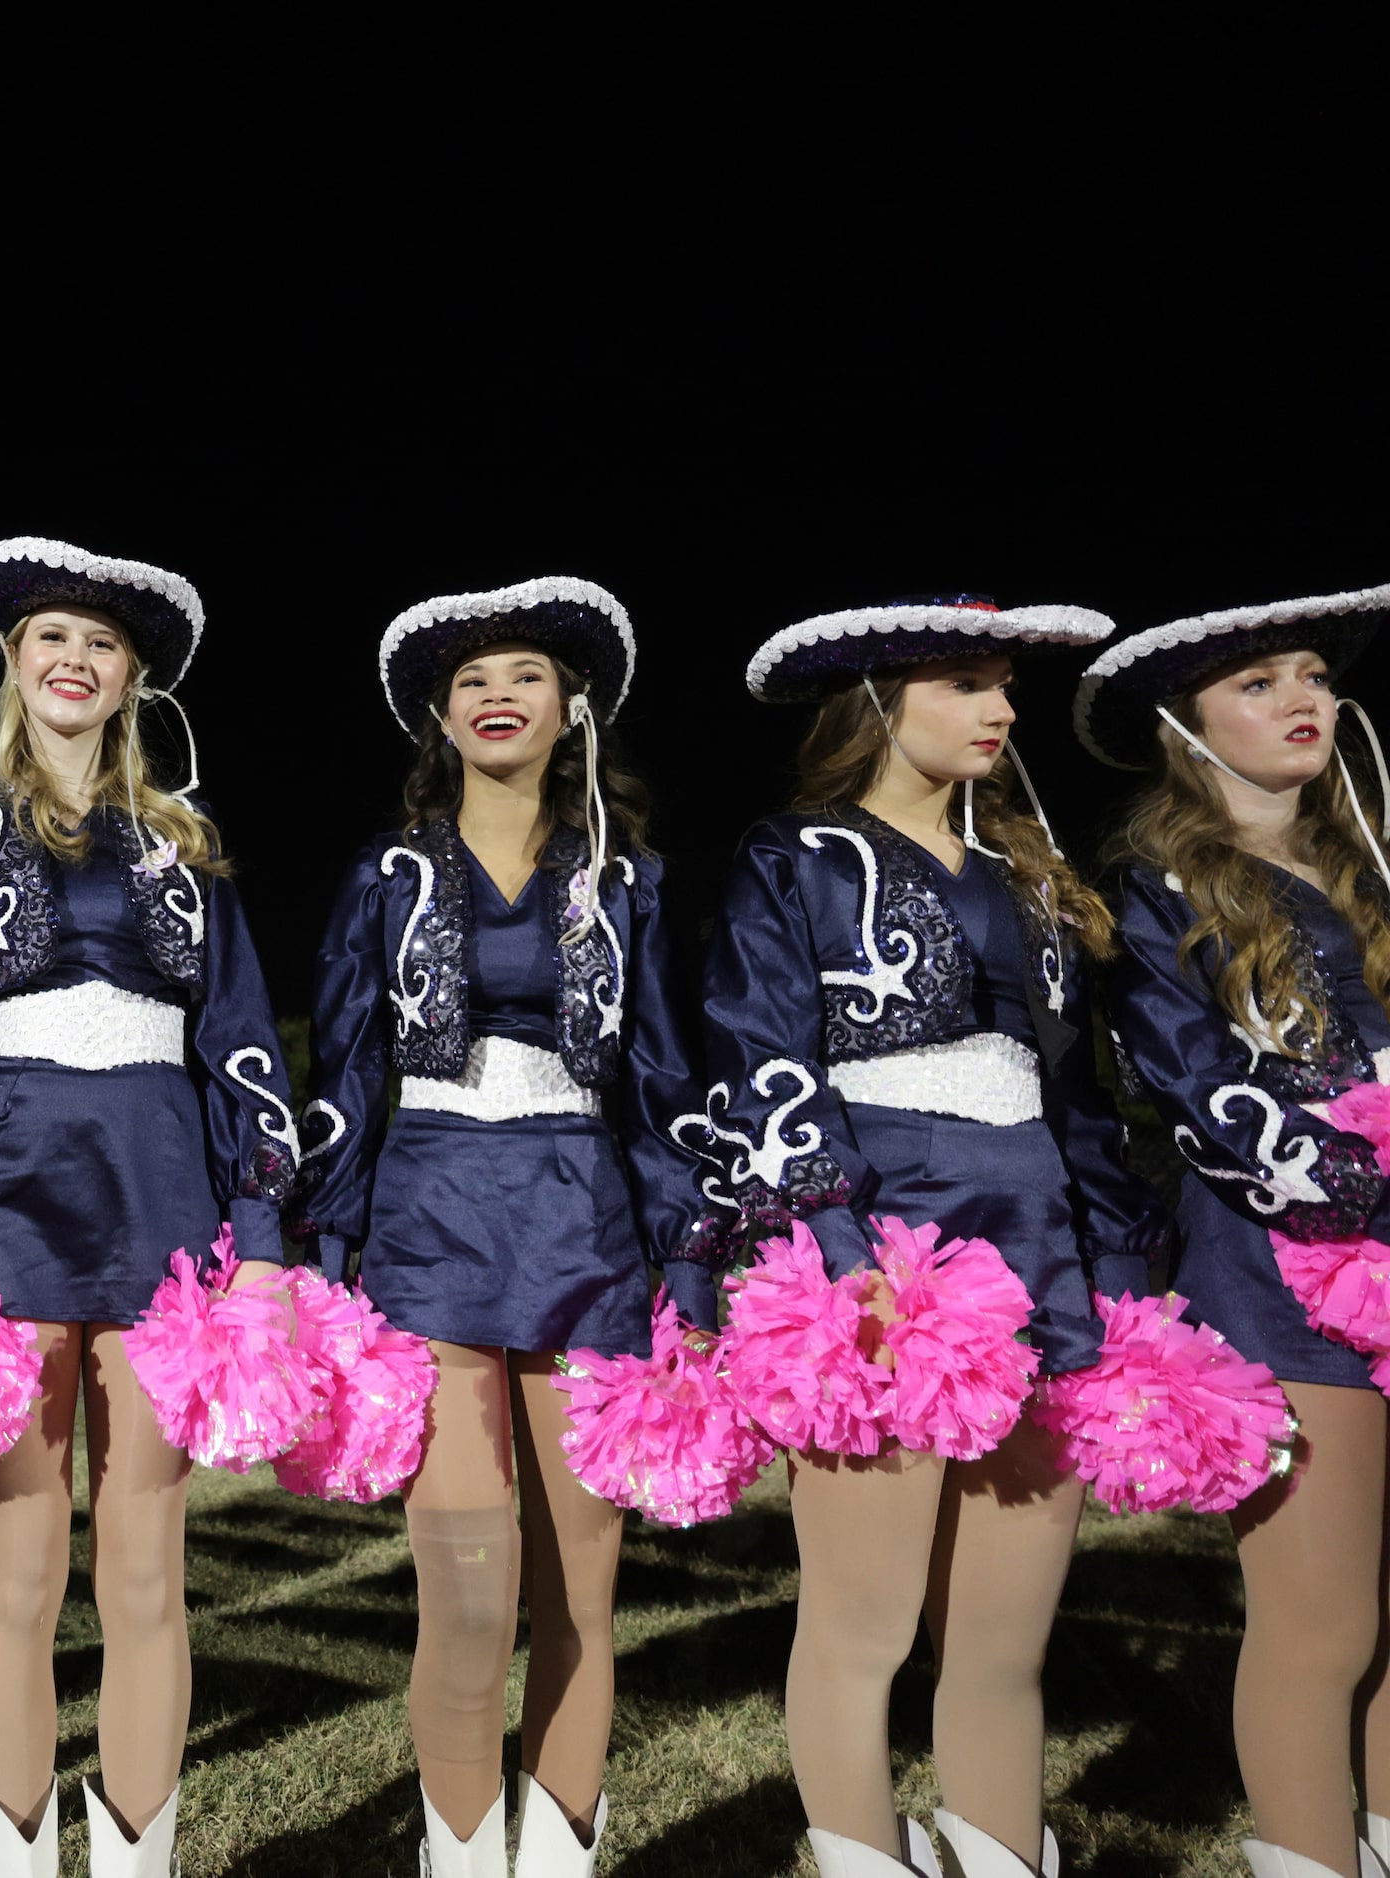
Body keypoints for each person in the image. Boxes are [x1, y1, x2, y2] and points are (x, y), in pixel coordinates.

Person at [690, 598, 1168, 1878]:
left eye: (1001, 685)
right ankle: (858, 1858)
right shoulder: (791, 856)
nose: (1000, 712)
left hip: (1038, 1254)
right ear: (875, 703)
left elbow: (1081, 1096)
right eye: (964, 684)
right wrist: (849, 1264)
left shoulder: (1030, 876)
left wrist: (1115, 1285)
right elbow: (759, 1060)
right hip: (883, 1257)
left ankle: (1000, 1855)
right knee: (862, 1626)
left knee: (1006, 1640)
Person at [0, 537, 299, 1878]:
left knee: (148, 1573)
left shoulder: (187, 842)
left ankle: (142, 1853)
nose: (74, 660)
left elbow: (241, 1043)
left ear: (131, 680)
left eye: (99, 645)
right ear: (11, 662)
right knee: (21, 1574)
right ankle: (18, 1850)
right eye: (50, 638)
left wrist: (262, 1241)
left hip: (163, 1201)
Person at [299, 579, 705, 1878]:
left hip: (586, 1227)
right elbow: (347, 1074)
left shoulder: (626, 880)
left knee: (578, 1602)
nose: (496, 696)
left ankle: (559, 1856)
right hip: (428, 1219)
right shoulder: (389, 874)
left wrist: (686, 1267)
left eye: (523, 673)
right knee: (469, 1595)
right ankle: (461, 1855)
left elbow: (663, 1082)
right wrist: (320, 1256)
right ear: (439, 711)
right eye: (472, 679)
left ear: (571, 703)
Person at [1078, 584, 1390, 1878]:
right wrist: (1344, 1177)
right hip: (1282, 1264)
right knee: (1318, 1627)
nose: (1301, 698)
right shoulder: (1151, 884)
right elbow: (1187, 1075)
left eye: (1312, 673)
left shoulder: (1375, 861)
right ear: (1184, 724)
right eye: (1258, 682)